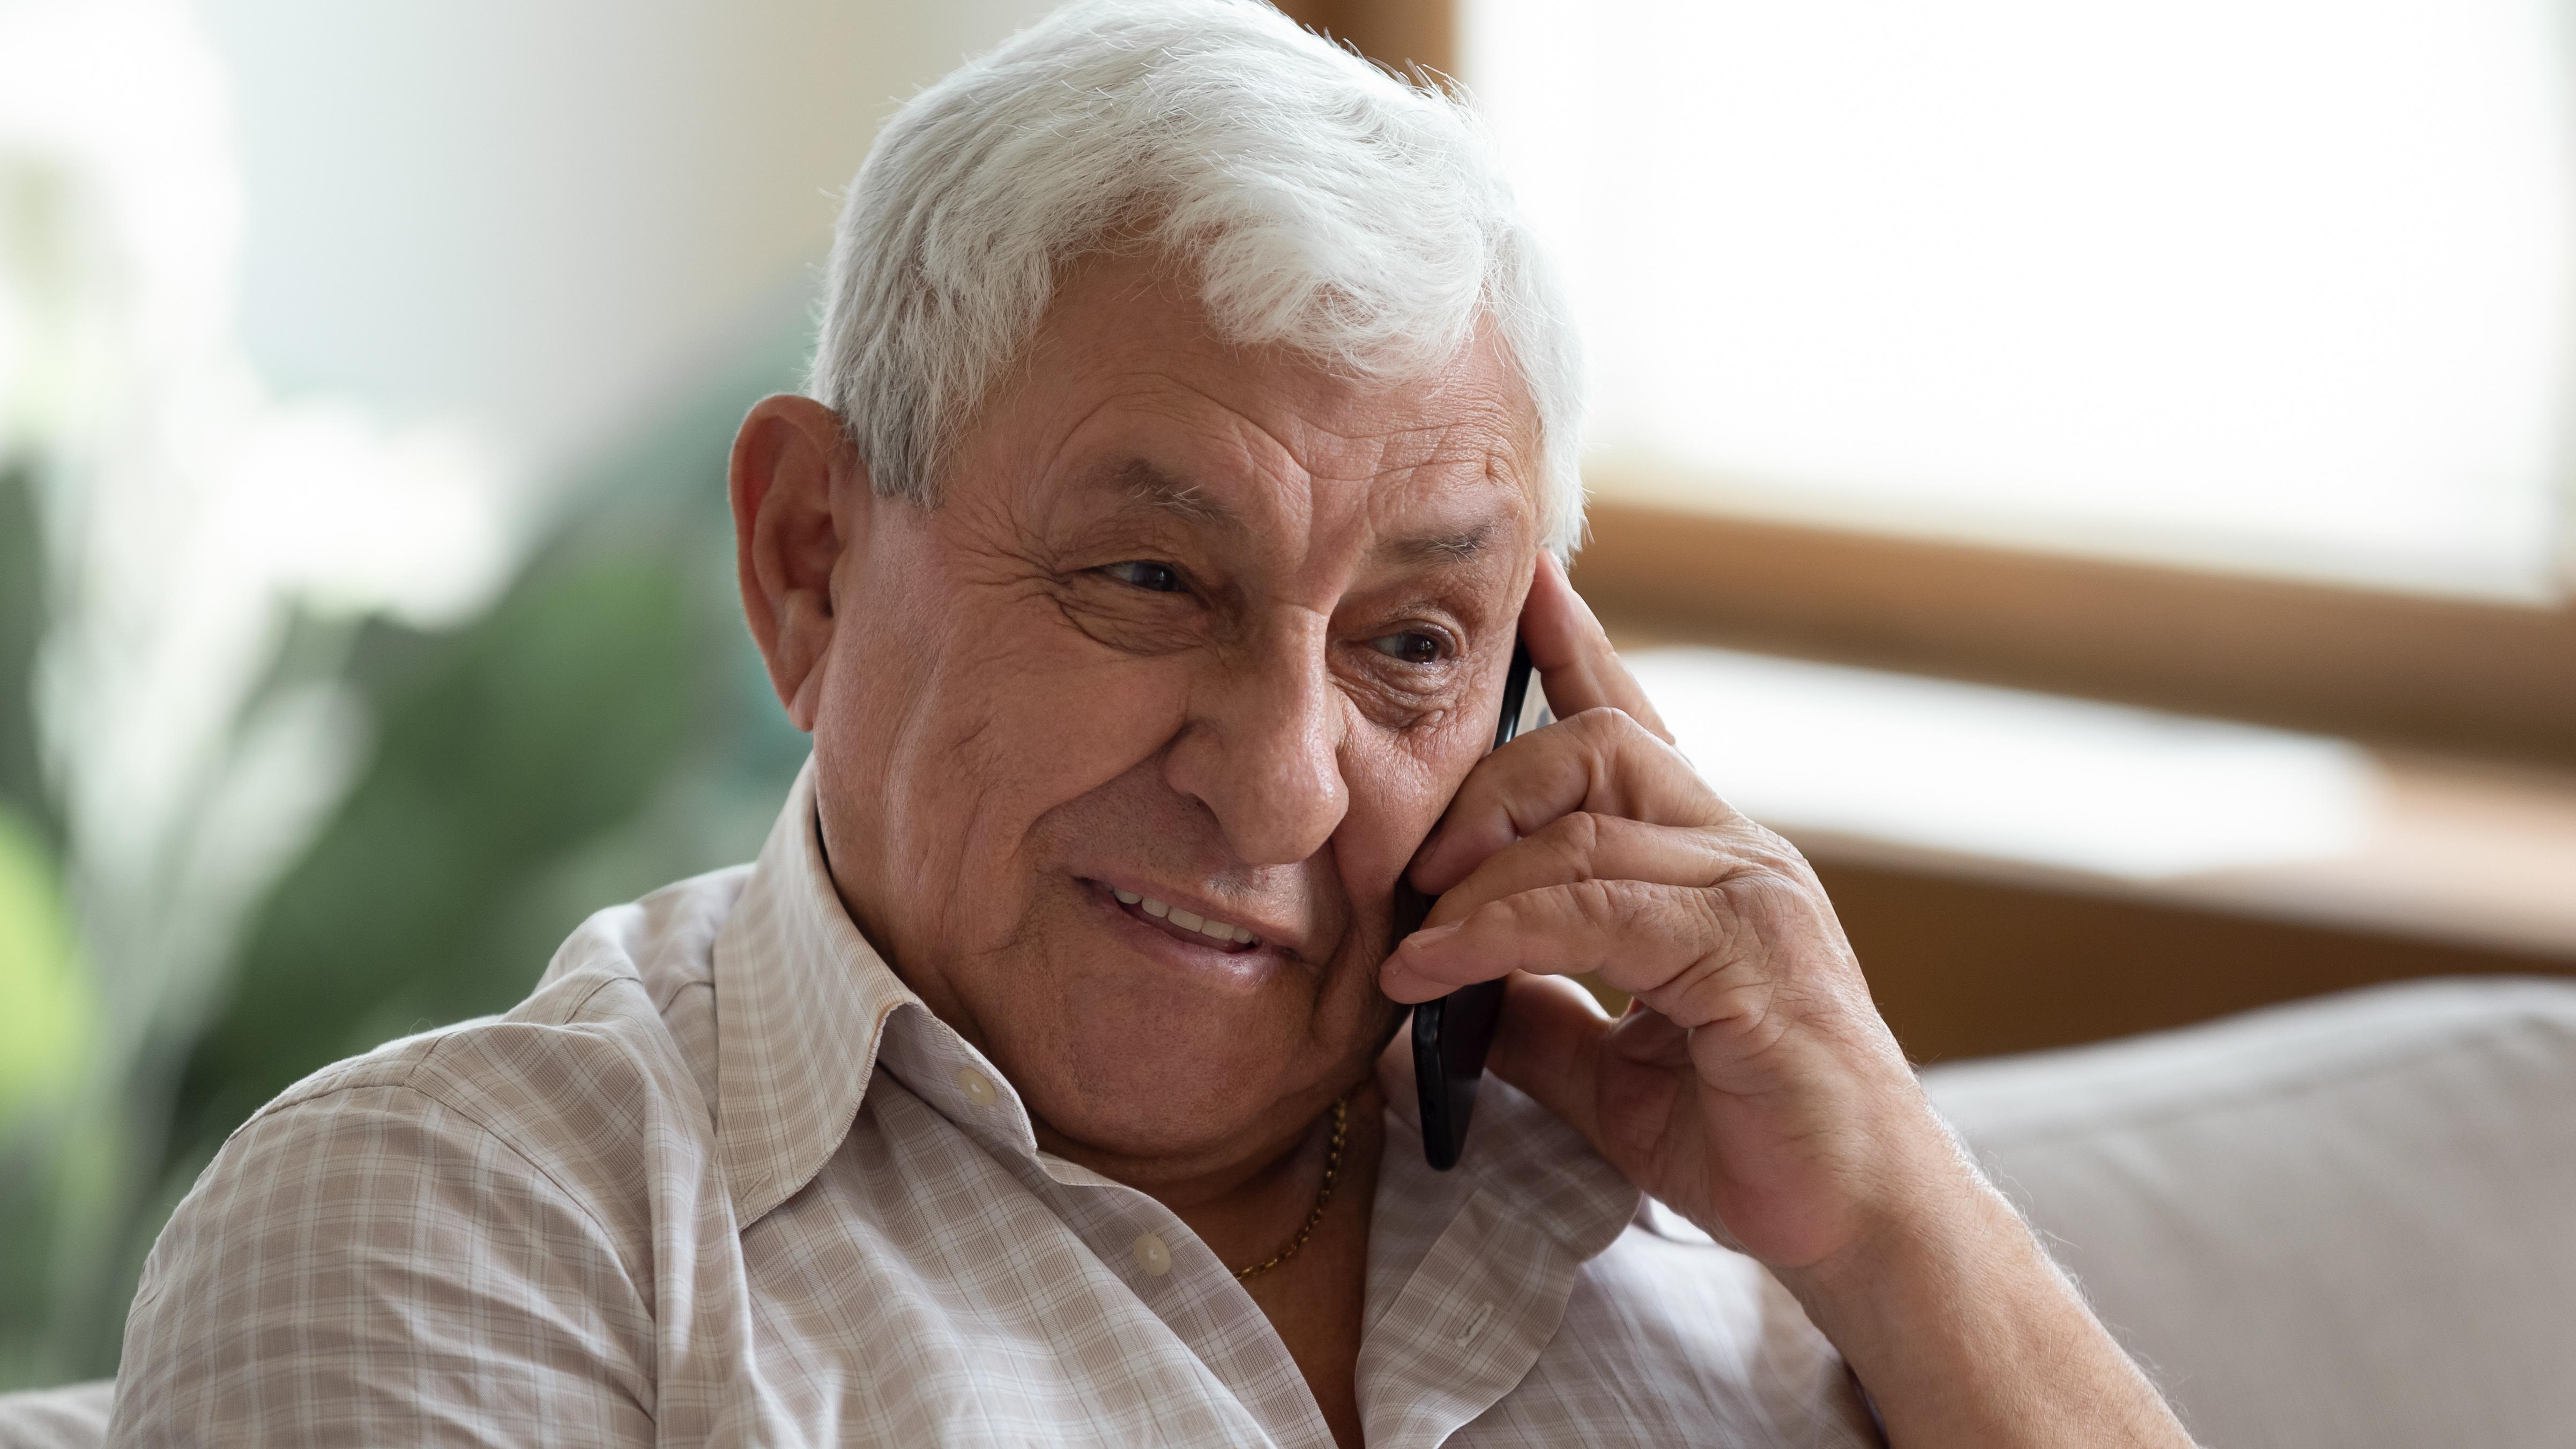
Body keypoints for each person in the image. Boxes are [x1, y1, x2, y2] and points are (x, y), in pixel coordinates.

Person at [108, 2, 2197, 1444]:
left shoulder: (1724, 1217)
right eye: (1149, 580)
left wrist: (1898, 1223)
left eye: (1410, 643)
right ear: (811, 556)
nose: (1282, 779)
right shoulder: (461, 1222)